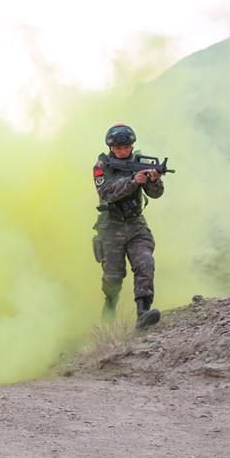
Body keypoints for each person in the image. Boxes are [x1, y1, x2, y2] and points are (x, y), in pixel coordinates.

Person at [92, 124, 164, 329]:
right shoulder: (101, 166)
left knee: (145, 262)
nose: (124, 151)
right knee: (113, 277)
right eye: (119, 148)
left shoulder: (138, 162)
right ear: (111, 148)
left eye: (127, 147)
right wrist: (133, 181)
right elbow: (107, 192)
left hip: (135, 225)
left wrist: (153, 181)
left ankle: (143, 311)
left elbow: (156, 194)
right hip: (110, 227)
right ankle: (110, 303)